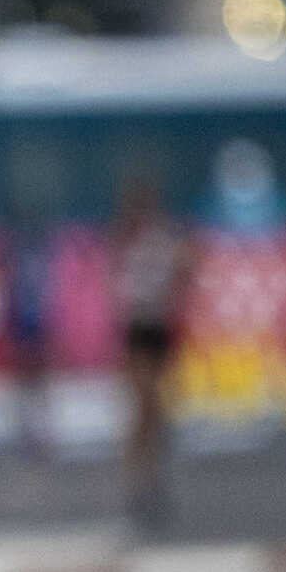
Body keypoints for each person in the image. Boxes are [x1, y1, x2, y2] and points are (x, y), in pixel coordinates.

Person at [111, 176, 194, 530]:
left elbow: (186, 271)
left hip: (159, 329)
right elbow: (118, 289)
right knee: (142, 407)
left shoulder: (163, 240)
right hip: (138, 331)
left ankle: (151, 476)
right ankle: (137, 481)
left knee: (156, 409)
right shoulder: (123, 242)